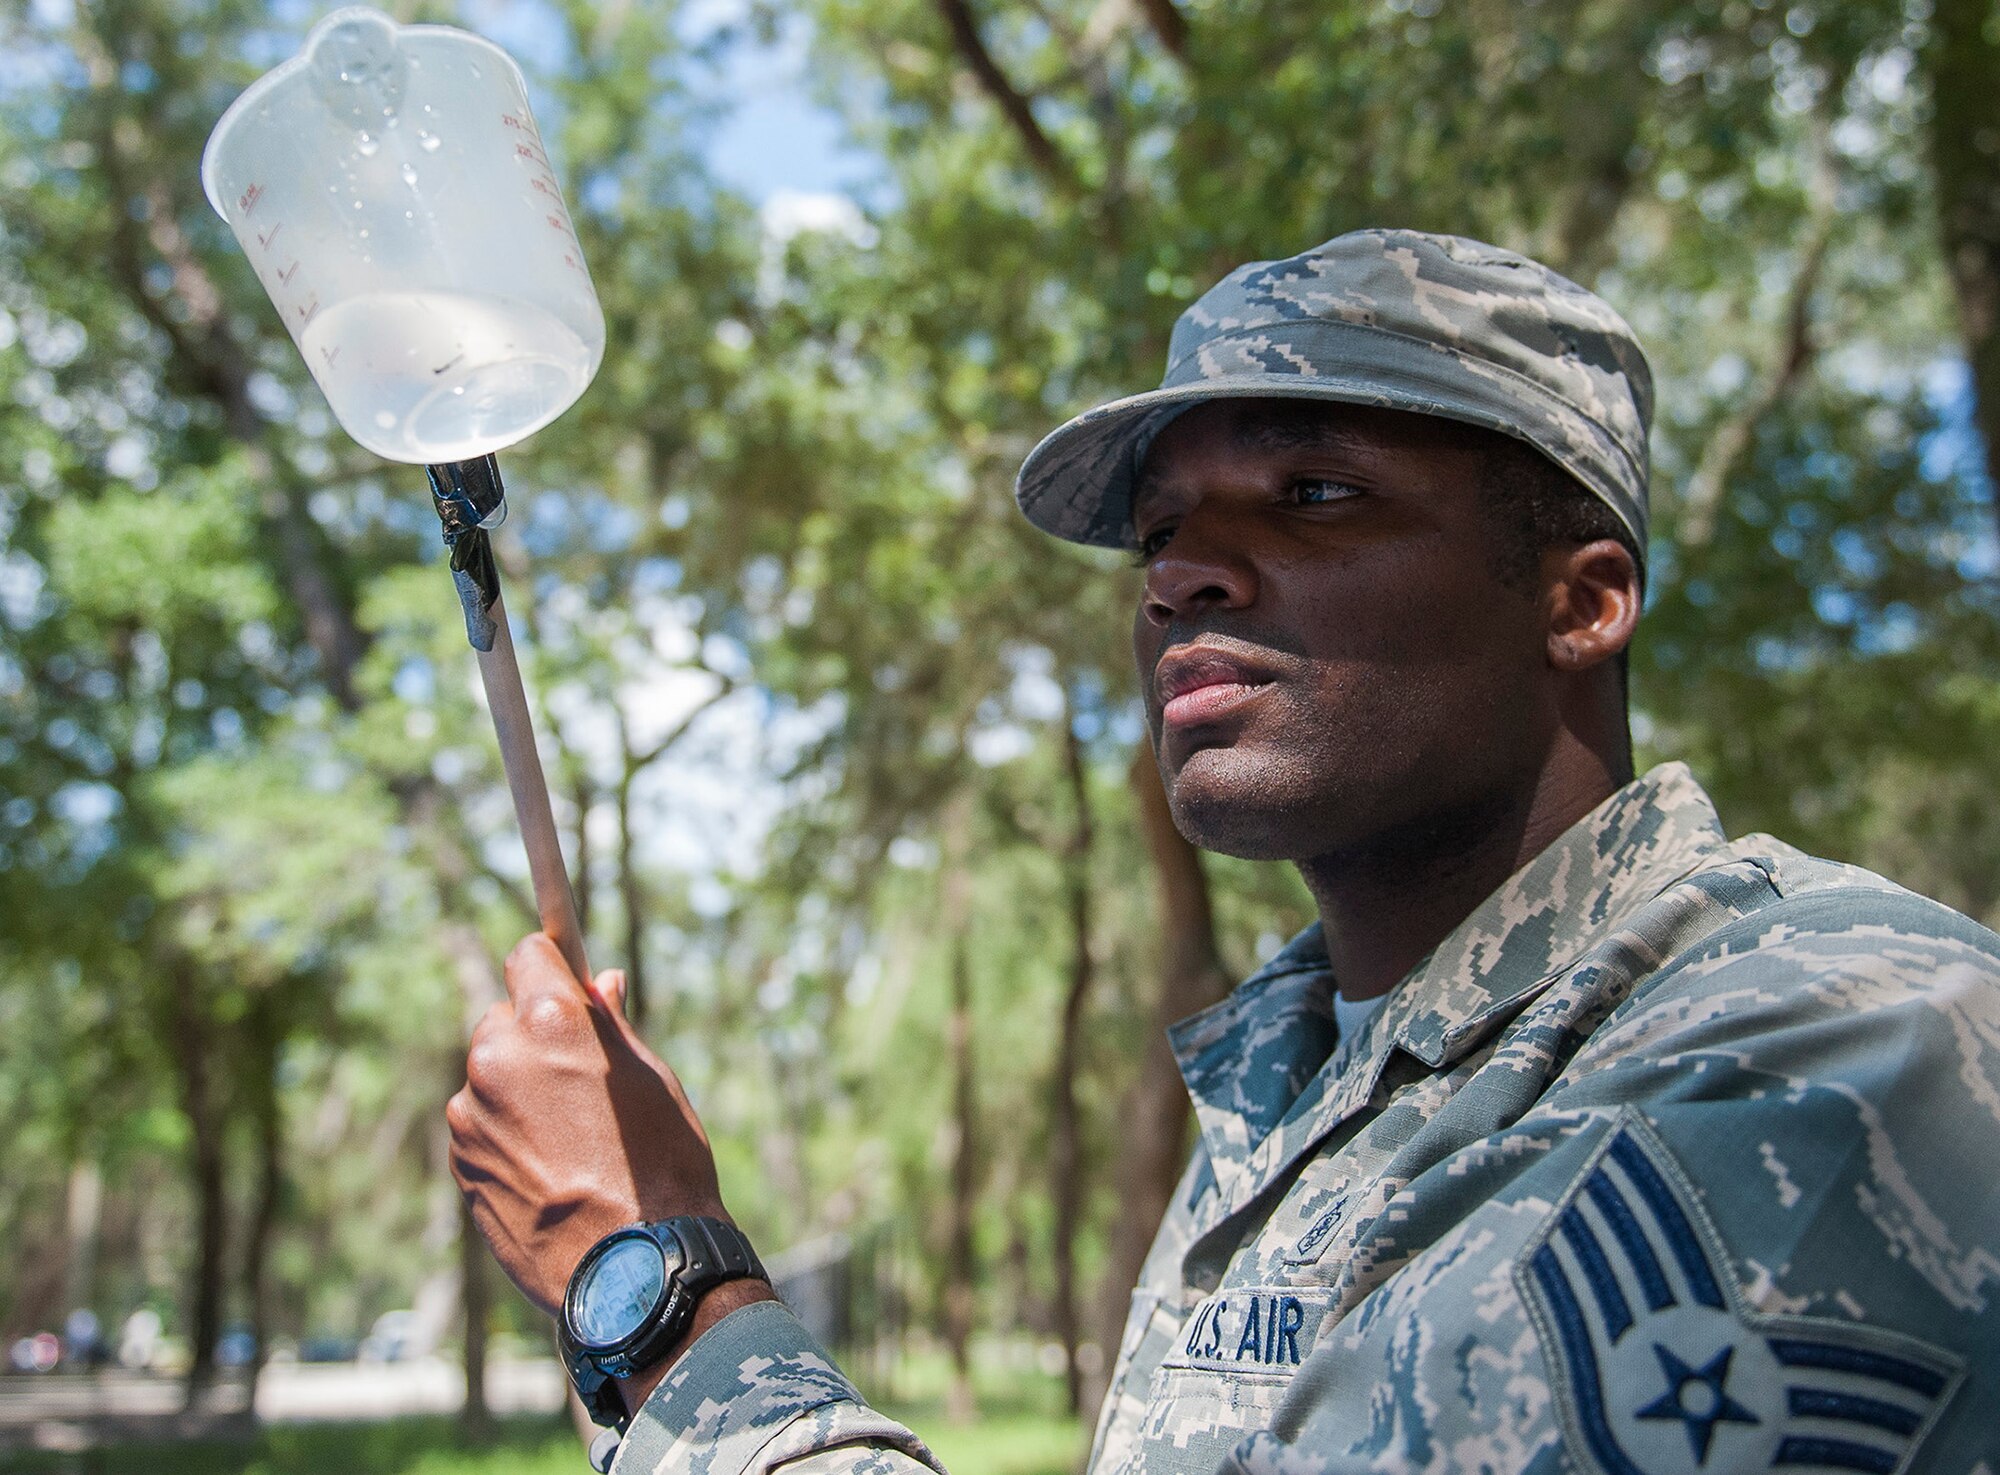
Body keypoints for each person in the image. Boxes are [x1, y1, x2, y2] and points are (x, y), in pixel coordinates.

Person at [446, 230, 2000, 1474]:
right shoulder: (1299, 1078)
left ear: (1581, 602)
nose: (1183, 574)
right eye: (1160, 532)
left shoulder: (1836, 1050)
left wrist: (662, 1306)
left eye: (1315, 494)